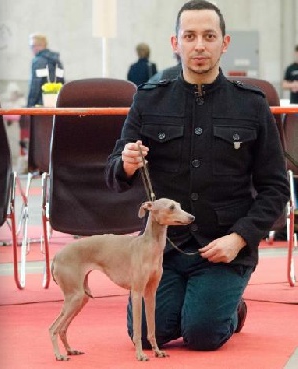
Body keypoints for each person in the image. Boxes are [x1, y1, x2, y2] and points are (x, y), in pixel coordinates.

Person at [105, 0, 289, 351]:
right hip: (164, 252)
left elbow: (275, 188)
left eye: (209, 35)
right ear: (175, 44)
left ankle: (231, 307)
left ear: (225, 42)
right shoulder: (148, 101)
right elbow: (113, 172)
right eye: (189, 36)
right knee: (145, 335)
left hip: (223, 249)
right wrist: (125, 165)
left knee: (202, 335)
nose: (200, 45)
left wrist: (240, 238)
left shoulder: (252, 105)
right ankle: (207, 302)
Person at [26, 33, 64, 108]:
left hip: (40, 106)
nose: (31, 49)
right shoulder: (58, 62)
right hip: (56, 104)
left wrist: (29, 106)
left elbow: (35, 85)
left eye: (32, 46)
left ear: (38, 46)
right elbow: (62, 83)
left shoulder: (38, 61)